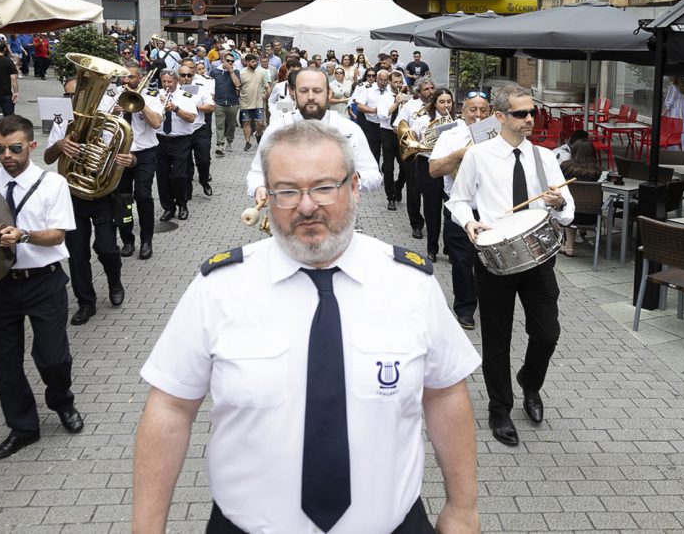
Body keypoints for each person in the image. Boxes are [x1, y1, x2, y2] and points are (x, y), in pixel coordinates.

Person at [133, 120, 481, 533]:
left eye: (323, 187)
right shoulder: (220, 288)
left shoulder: (411, 283)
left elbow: (444, 395)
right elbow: (170, 408)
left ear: (354, 187)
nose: (306, 206)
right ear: (267, 194)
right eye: (287, 190)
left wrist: (463, 508)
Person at [446, 83, 574, 447]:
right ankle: (499, 408)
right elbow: (458, 201)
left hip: (537, 257)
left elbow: (569, 212)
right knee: (497, 340)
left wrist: (558, 204)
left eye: (532, 112)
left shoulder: (545, 158)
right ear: (499, 117)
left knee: (547, 332)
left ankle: (530, 383)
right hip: (494, 259)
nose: (530, 119)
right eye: (521, 113)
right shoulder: (478, 156)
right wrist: (469, 222)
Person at [0, 115, 82, 460]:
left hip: (43, 282)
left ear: (31, 146)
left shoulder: (53, 184)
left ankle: (62, 401)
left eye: (15, 148)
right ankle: (23, 428)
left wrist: (24, 235)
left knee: (53, 358)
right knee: (5, 362)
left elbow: (58, 235)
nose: (6, 156)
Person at [44, 73, 135, 325]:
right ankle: (86, 303)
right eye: (69, 95)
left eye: (78, 95)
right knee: (76, 253)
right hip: (72, 195)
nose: (74, 100)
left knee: (106, 247)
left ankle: (114, 281)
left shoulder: (109, 123)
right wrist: (60, 145)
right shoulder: (61, 124)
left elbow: (131, 157)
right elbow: (47, 157)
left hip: (102, 193)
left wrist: (129, 160)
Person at [247, 68, 382, 202]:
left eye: (317, 91)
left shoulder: (349, 130)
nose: (310, 97)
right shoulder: (277, 130)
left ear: (328, 93)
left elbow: (373, 175)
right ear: (293, 93)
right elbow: (257, 172)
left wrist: (353, 178)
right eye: (304, 91)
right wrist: (259, 187)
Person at [428, 90, 488, 329]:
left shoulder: (497, 136)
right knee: (462, 263)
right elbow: (433, 171)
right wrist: (460, 154)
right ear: (463, 111)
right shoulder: (450, 136)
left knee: (488, 263)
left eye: (483, 110)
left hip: (489, 210)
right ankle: (465, 308)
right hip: (459, 208)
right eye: (473, 109)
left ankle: (490, 302)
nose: (478, 114)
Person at [115, 65, 164, 261]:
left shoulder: (152, 95)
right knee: (122, 199)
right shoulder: (113, 95)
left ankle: (146, 240)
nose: (126, 82)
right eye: (124, 78)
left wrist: (140, 104)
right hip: (120, 153)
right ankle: (127, 239)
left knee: (143, 195)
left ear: (140, 78)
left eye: (131, 78)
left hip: (145, 153)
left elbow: (157, 123)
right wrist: (114, 111)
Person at [411, 87, 454, 262]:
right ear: (434, 103)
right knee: (432, 210)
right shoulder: (423, 120)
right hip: (427, 165)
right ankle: (432, 249)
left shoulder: (457, 122)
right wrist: (421, 142)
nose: (446, 105)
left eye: (449, 102)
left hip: (450, 168)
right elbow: (411, 138)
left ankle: (450, 247)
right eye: (442, 102)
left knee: (451, 210)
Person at [394, 77, 436, 239]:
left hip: (434, 154)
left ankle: (433, 222)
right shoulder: (409, 107)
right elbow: (397, 126)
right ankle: (416, 224)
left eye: (432, 88)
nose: (430, 92)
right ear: (418, 92)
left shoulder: (439, 105)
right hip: (416, 154)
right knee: (413, 190)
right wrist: (411, 140)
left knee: (433, 192)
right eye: (426, 89)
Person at [155, 69, 198, 222]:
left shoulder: (187, 95)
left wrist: (176, 109)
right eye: (164, 81)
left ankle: (182, 205)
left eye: (170, 82)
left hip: (181, 140)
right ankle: (168, 207)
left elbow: (192, 118)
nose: (167, 85)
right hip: (160, 139)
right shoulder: (156, 94)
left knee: (179, 175)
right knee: (162, 176)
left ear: (176, 81)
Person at [559, 139, 602, 257]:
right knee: (585, 202)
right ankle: (582, 231)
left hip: (569, 214)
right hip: (591, 216)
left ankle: (569, 246)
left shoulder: (566, 167)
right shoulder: (596, 171)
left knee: (570, 204)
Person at [178, 63, 215, 198]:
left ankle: (204, 180)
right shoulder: (174, 89)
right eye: (183, 75)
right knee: (186, 164)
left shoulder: (201, 88)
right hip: (183, 130)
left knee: (204, 159)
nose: (186, 78)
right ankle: (187, 190)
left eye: (189, 75)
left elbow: (210, 107)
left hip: (199, 128)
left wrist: (195, 107)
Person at [376, 71, 409, 211]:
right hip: (388, 133)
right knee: (388, 168)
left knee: (405, 167)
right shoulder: (384, 97)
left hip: (401, 134)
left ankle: (399, 186)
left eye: (400, 82)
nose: (398, 84)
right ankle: (390, 197)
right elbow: (383, 115)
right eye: (395, 82)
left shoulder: (406, 96)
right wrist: (396, 103)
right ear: (390, 82)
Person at [209, 53, 241, 156]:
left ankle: (229, 142)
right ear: (223, 60)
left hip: (233, 103)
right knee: (220, 125)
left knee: (231, 125)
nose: (230, 63)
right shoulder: (215, 71)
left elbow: (237, 84)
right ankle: (220, 145)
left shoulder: (236, 71)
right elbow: (210, 84)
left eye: (232, 61)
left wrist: (231, 71)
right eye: (228, 61)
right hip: (219, 102)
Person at [238, 53, 268, 150]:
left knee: (260, 122)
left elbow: (267, 86)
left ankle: (258, 134)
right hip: (245, 102)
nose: (255, 63)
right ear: (247, 62)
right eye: (253, 61)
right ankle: (247, 142)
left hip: (258, 102)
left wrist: (265, 96)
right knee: (246, 122)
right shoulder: (241, 74)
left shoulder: (261, 73)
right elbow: (238, 87)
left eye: (256, 61)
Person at [663, 76, 684, 150]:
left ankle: (673, 149)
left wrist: (663, 114)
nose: (670, 77)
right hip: (683, 112)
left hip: (675, 111)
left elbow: (669, 103)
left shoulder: (673, 87)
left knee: (674, 130)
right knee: (683, 131)